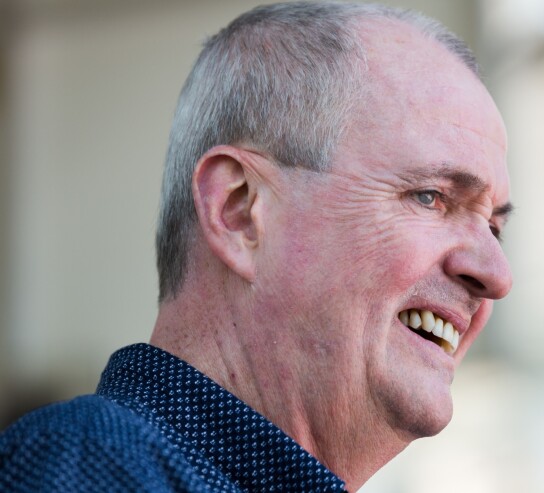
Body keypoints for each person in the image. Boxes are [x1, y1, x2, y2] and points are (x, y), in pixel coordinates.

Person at [0, 2, 513, 491]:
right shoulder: (89, 465)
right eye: (430, 197)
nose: (497, 274)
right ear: (239, 210)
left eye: (494, 227)